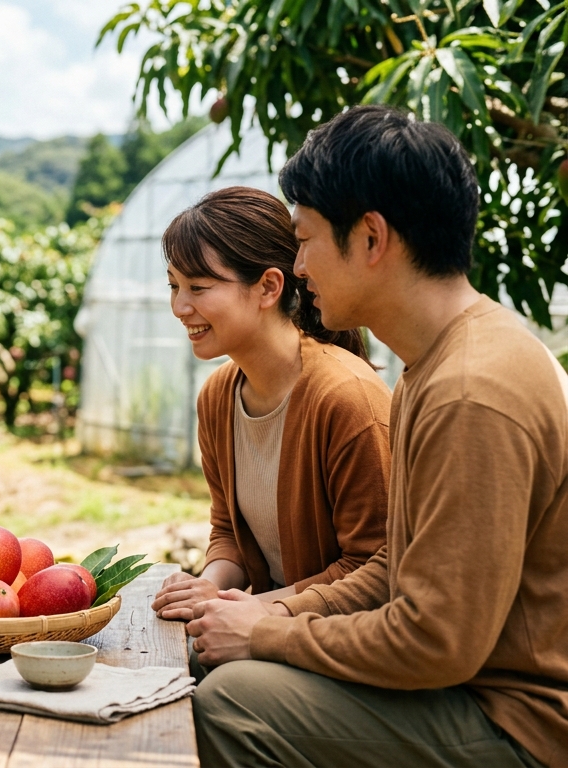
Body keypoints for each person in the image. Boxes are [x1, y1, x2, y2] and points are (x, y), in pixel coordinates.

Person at [186, 106, 563, 767]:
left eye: (304, 239)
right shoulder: (439, 364)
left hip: (514, 720)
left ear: (370, 238)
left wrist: (270, 632)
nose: (299, 266)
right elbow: (393, 570)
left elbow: (437, 640)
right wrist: (271, 615)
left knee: (233, 700)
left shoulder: (471, 390)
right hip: (458, 685)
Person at [150, 187, 391, 642]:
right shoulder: (218, 397)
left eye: (198, 287)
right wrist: (210, 585)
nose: (180, 307)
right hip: (265, 625)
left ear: (268, 287)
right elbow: (227, 531)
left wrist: (253, 609)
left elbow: (377, 568)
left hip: (337, 642)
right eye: (174, 286)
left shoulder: (347, 398)